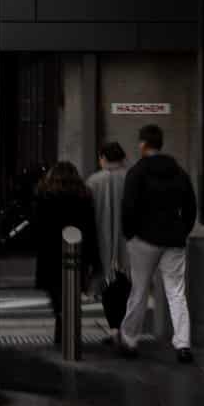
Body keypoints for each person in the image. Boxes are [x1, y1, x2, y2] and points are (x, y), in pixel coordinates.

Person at [119, 124, 197, 363]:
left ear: (143, 144)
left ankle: (130, 339)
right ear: (161, 144)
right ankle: (183, 344)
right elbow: (191, 207)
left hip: (144, 240)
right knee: (176, 292)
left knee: (139, 291)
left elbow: (128, 207)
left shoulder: (137, 172)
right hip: (173, 240)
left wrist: (130, 234)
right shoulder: (179, 172)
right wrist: (182, 231)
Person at [33, 161, 100, 346]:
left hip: (51, 254)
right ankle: (69, 333)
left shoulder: (44, 194)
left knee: (57, 296)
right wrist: (94, 259)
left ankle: (61, 328)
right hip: (78, 252)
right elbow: (90, 228)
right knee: (72, 295)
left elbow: (37, 226)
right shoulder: (83, 194)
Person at [87, 142, 129, 342]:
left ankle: (113, 329)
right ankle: (124, 328)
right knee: (127, 286)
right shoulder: (131, 178)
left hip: (101, 243)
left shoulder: (94, 181)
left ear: (103, 158)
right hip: (128, 244)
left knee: (107, 285)